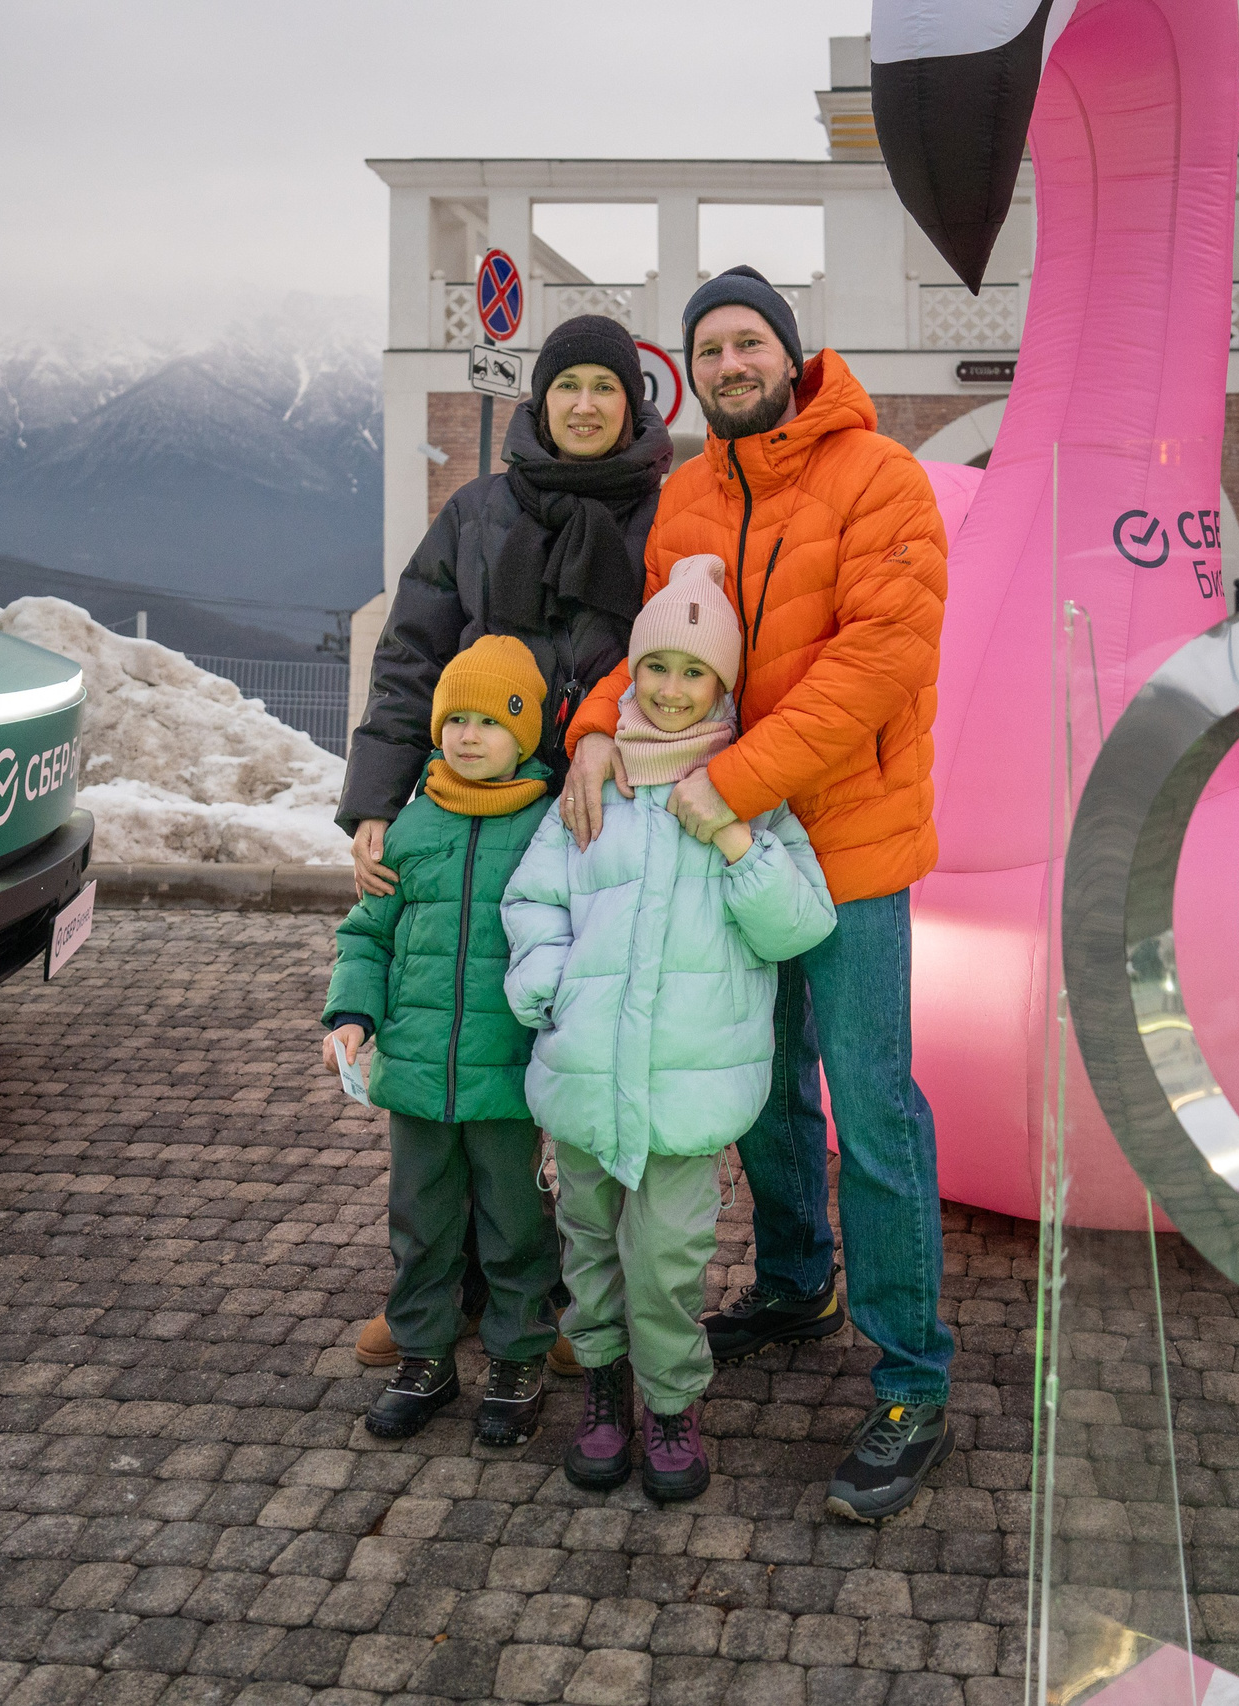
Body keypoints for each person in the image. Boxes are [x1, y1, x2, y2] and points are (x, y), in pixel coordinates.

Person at [556, 266, 955, 1525]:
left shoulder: (881, 478)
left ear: (790, 354)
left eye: (747, 342)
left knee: (871, 1108)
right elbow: (655, 653)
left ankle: (912, 1376)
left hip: (842, 845)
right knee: (762, 1089)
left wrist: (730, 781)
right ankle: (794, 1279)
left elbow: (880, 661)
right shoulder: (684, 492)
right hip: (718, 842)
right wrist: (591, 729)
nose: (729, 363)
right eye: (708, 348)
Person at [338, 312, 672, 1369]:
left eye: (603, 387)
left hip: (603, 812)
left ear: (633, 401)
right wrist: (377, 800)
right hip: (473, 811)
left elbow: (686, 660)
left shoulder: (670, 509)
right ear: (539, 398)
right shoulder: (476, 510)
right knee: (468, 1048)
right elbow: (409, 658)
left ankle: (581, 1300)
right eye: (566, 383)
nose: (584, 403)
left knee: (583, 1063)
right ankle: (444, 1291)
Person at [503, 557, 835, 1503]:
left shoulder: (752, 795)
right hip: (586, 1071)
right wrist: (547, 989)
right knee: (593, 1249)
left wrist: (733, 837)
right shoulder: (592, 791)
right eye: (658, 668)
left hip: (685, 1091)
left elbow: (799, 923)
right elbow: (535, 901)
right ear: (634, 674)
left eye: (697, 674)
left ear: (725, 687)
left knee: (668, 1260)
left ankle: (674, 1404)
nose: (673, 691)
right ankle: (604, 1394)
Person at [322, 636, 563, 1445]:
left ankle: (519, 1356)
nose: (467, 734)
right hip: (419, 1076)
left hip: (508, 1078)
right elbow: (367, 935)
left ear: (524, 734)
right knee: (421, 1222)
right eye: (454, 717)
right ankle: (424, 1357)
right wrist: (350, 1014)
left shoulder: (551, 826)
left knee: (514, 1223)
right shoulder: (410, 825)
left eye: (490, 720)